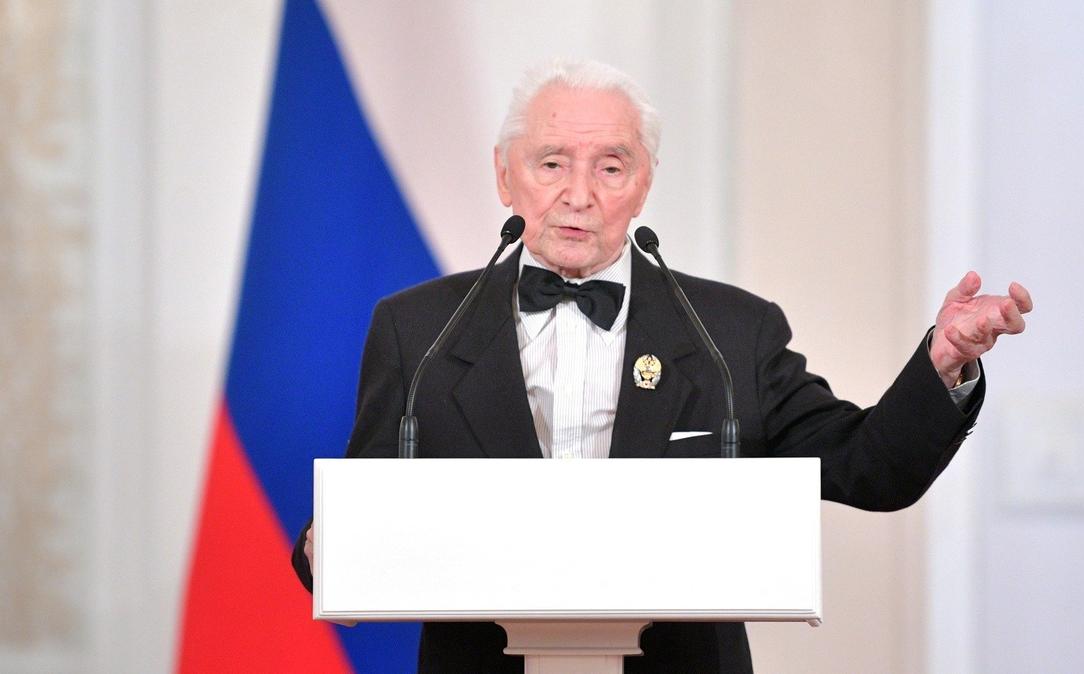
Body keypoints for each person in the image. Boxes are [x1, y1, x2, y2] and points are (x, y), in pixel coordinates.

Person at [292, 59, 1032, 673]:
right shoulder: (418, 329)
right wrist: (326, 545)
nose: (578, 195)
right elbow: (363, 516)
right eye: (551, 163)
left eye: (610, 167)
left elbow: (870, 469)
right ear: (504, 175)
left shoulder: (730, 332)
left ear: (644, 182)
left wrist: (944, 362)